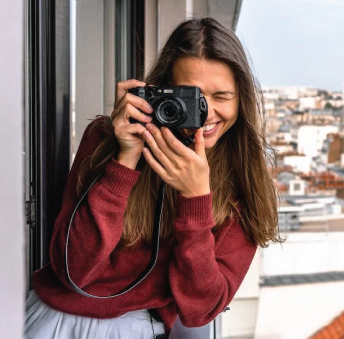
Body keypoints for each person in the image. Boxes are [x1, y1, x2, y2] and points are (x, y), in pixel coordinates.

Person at [25, 17, 282, 338]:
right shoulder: (106, 137)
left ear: (241, 98)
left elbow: (201, 309)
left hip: (138, 327)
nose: (205, 113)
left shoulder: (242, 182)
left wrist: (196, 200)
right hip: (53, 319)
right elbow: (73, 271)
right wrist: (125, 158)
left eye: (221, 97)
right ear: (161, 90)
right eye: (191, 96)